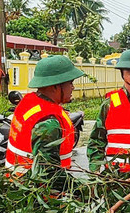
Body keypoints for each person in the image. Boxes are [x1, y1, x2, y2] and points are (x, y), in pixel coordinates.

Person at [6, 54, 87, 184]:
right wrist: (81, 190)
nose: (73, 87)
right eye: (70, 83)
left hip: (18, 185)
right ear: (54, 86)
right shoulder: (49, 124)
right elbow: (48, 173)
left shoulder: (30, 103)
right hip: (38, 195)